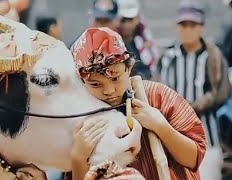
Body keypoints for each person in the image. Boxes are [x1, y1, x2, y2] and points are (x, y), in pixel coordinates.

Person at [67, 27, 206, 180]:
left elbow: (194, 159)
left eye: (115, 78)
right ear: (81, 83)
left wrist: (160, 126)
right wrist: (78, 158)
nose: (109, 91)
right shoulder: (79, 122)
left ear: (129, 67)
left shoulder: (158, 96)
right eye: (95, 84)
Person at [158, 0, 231, 148]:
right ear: (177, 27)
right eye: (184, 25)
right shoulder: (168, 57)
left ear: (202, 27)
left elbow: (222, 93)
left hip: (208, 136)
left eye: (193, 25)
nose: (188, 30)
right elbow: (159, 90)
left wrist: (197, 106)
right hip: (174, 133)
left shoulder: (214, 57)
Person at [116, 0, 159, 80]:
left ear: (137, 18)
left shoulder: (144, 36)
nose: (127, 25)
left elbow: (154, 64)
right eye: (124, 20)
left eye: (130, 19)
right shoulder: (114, 39)